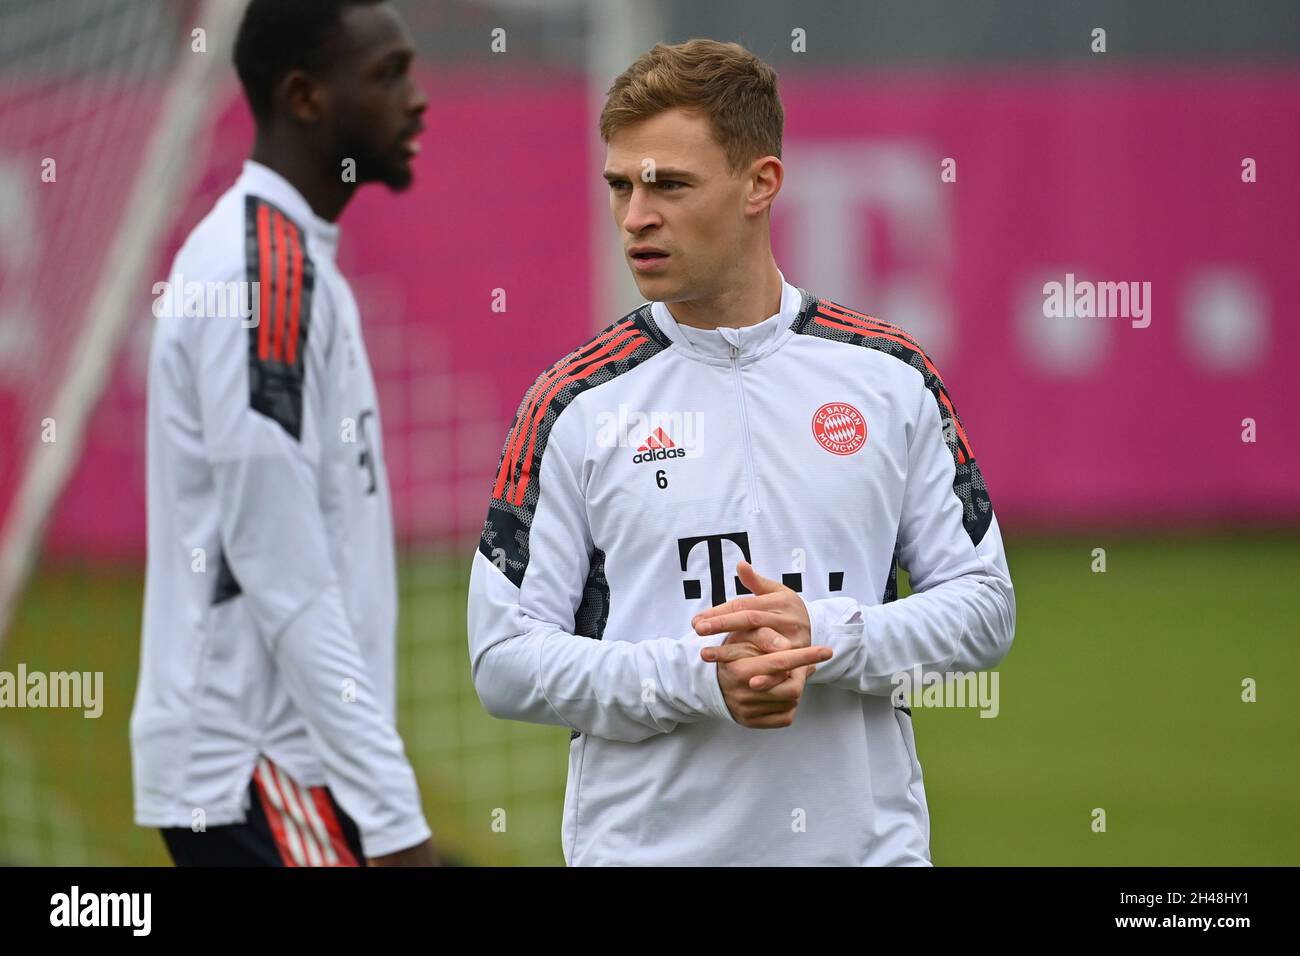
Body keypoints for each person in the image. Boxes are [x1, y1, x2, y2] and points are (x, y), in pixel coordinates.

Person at [467, 39, 1015, 865]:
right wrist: (701, 676)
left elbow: (984, 608)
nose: (635, 216)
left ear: (761, 184)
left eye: (670, 185)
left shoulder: (890, 377)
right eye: (621, 185)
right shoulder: (572, 405)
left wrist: (821, 636)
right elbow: (503, 662)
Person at [131, 0, 435, 866]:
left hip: (277, 763)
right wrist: (393, 818)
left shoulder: (291, 256)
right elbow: (281, 567)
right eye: (387, 74)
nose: (418, 100)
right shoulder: (260, 270)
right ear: (304, 96)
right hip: (261, 761)